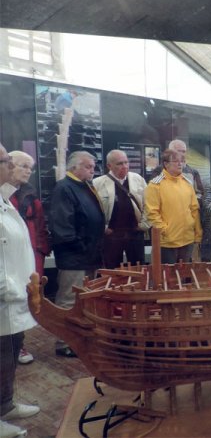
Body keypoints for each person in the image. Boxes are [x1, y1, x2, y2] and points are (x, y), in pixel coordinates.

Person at [0, 143, 41, 438]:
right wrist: (10, 290)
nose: (10, 166)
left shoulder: (6, 200)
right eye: (5, 161)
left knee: (10, 356)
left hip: (14, 297)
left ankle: (5, 405)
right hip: (6, 297)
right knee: (0, 358)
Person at [50, 151, 104, 358]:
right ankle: (64, 343)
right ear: (75, 167)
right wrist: (81, 246)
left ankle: (79, 338)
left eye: (93, 167)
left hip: (88, 255)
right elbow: (63, 227)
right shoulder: (64, 188)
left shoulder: (82, 186)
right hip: (75, 257)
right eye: (88, 167)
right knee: (69, 301)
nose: (93, 170)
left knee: (84, 300)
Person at [0, 151, 50, 365]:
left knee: (28, 302)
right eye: (22, 165)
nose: (27, 171)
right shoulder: (7, 195)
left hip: (29, 257)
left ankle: (19, 343)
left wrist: (40, 250)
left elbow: (39, 226)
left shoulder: (28, 194)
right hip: (7, 277)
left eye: (31, 167)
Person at [93, 150, 148, 269]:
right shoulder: (98, 183)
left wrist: (144, 224)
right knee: (112, 269)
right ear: (109, 165)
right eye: (119, 163)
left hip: (135, 233)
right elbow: (93, 211)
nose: (124, 166)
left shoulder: (138, 179)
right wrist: (103, 228)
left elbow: (149, 204)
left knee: (138, 269)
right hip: (112, 235)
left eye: (126, 162)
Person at [145, 149, 202, 264]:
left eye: (182, 161)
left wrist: (197, 233)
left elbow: (194, 210)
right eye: (176, 161)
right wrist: (165, 231)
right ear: (166, 164)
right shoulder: (155, 185)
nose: (180, 164)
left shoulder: (187, 183)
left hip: (187, 239)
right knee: (167, 277)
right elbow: (152, 213)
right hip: (167, 242)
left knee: (184, 276)